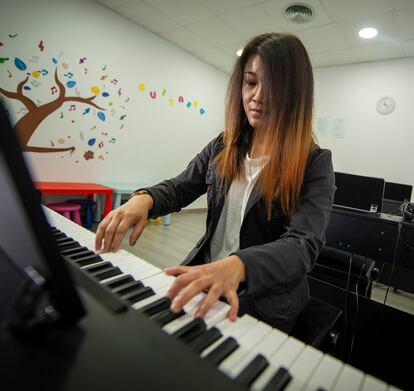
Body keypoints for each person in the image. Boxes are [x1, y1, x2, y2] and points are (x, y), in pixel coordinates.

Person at [95, 32, 335, 333]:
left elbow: (303, 245)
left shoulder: (315, 162)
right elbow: (181, 187)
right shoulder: (225, 145)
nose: (257, 96)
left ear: (295, 93)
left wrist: (239, 265)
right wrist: (143, 198)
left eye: (271, 85)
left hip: (265, 302)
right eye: (250, 82)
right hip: (206, 276)